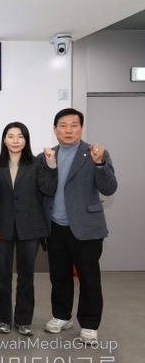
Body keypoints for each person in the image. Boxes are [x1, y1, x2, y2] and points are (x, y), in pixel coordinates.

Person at [43, 108, 117, 343]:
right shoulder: (48, 155)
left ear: (81, 128)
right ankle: (61, 316)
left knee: (89, 278)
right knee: (59, 276)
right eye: (63, 125)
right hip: (55, 227)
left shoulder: (94, 153)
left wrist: (99, 164)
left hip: (86, 227)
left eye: (74, 125)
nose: (68, 130)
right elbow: (44, 189)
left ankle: (89, 324)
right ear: (55, 129)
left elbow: (109, 188)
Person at [0, 122, 57, 337]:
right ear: (4, 139)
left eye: (20, 136)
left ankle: (24, 320)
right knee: (2, 275)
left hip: (31, 227)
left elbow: (49, 189)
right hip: (2, 227)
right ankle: (2, 319)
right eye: (11, 136)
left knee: (26, 277)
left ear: (26, 140)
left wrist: (51, 165)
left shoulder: (37, 163)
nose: (15, 140)